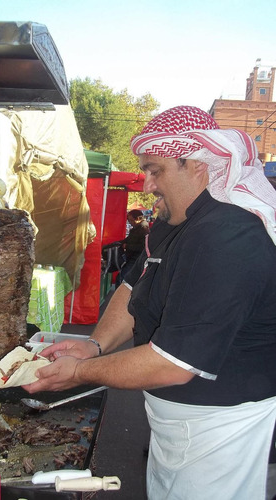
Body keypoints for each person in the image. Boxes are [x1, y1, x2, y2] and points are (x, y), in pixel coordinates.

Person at [22, 106, 276, 500]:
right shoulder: (175, 223)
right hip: (178, 424)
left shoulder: (228, 234)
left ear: (196, 164)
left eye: (155, 170)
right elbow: (132, 286)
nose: (147, 185)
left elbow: (172, 364)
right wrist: (95, 344)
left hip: (221, 425)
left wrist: (81, 371)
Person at [115, 209, 149, 286]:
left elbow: (143, 247)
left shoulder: (143, 229)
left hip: (136, 259)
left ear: (137, 219)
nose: (129, 222)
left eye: (130, 220)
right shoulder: (136, 229)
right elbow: (128, 239)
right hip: (132, 258)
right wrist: (118, 243)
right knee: (122, 277)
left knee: (122, 278)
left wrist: (128, 246)